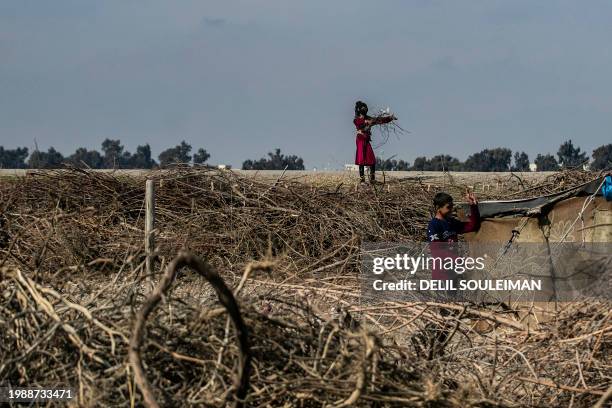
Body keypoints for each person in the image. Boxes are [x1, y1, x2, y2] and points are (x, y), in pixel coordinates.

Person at [427, 191, 480, 283]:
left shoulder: (451, 222)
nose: (451, 209)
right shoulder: (434, 225)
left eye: (452, 206)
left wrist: (473, 206)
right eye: (448, 207)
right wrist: (460, 260)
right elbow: (437, 252)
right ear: (438, 208)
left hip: (453, 272)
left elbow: (472, 226)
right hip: (442, 275)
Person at [353, 101, 396, 183]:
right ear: (359, 110)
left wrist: (390, 118)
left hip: (366, 140)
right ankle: (362, 181)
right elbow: (359, 122)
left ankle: (372, 180)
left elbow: (379, 120)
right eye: (363, 108)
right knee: (361, 161)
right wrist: (367, 122)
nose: (364, 109)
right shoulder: (357, 119)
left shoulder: (369, 118)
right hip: (360, 141)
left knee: (372, 160)